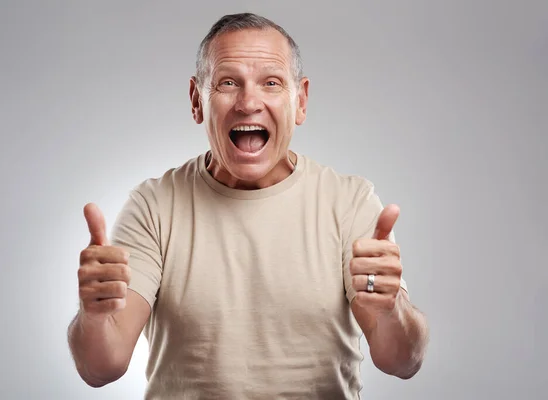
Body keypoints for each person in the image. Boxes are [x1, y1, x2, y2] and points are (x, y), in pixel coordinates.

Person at [67, 12, 429, 399]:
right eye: (227, 83)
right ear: (197, 101)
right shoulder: (153, 206)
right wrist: (93, 315)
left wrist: (391, 310)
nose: (248, 102)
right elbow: (100, 369)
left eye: (271, 83)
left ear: (301, 100)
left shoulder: (348, 201)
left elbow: (402, 362)